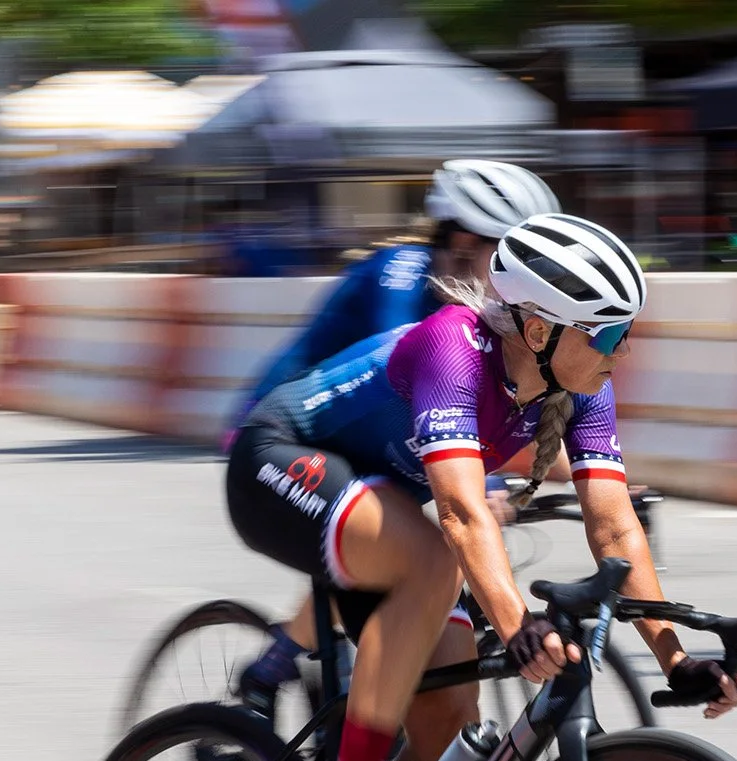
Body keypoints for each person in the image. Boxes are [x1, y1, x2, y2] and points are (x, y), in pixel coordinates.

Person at [224, 213, 737, 761]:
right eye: (608, 331)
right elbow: (466, 518)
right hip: (279, 461)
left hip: (378, 494)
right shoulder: (450, 346)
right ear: (537, 327)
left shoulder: (580, 384)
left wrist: (678, 657)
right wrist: (523, 623)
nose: (621, 349)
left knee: (448, 715)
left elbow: (614, 529)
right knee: (434, 561)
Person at [231, 161, 560, 722]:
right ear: (463, 241)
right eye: (514, 255)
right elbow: (427, 397)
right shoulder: (404, 279)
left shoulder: (486, 301)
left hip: (373, 436)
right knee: (406, 547)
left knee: (415, 551)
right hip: (298, 427)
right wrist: (489, 484)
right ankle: (279, 659)